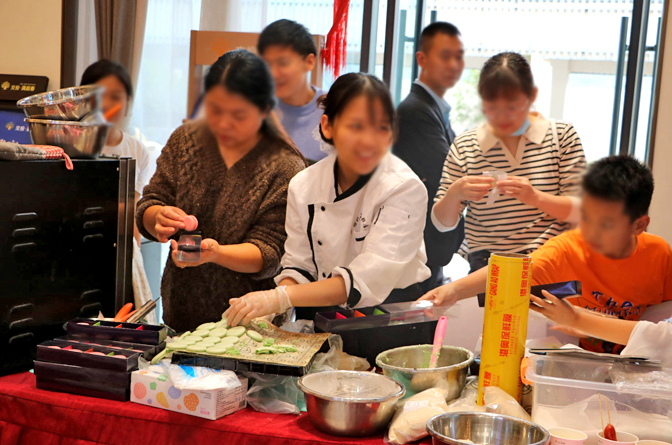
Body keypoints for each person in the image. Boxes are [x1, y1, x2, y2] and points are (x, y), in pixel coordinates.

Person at [421, 155, 672, 353]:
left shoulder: (658, 254)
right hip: (576, 360)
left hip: (634, 364)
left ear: (639, 225)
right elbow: (510, 270)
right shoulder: (567, 248)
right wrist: (455, 290)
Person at [223, 73, 431, 326]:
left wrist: (278, 297)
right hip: (320, 312)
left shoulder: (403, 187)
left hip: (388, 318)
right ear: (327, 126)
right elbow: (298, 265)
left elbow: (368, 275)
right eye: (356, 126)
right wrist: (273, 305)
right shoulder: (304, 184)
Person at [136, 50, 306, 332]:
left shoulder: (285, 166)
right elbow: (152, 201)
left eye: (238, 114)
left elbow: (270, 253)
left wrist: (216, 253)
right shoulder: (186, 140)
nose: (224, 123)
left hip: (252, 326)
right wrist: (158, 218)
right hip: (181, 313)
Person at [431, 52, 586, 272]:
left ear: (532, 96)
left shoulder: (561, 136)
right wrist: (454, 194)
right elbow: (442, 223)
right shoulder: (466, 145)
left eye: (512, 107)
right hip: (486, 268)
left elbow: (581, 210)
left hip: (549, 262)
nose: (501, 117)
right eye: (491, 108)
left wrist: (535, 198)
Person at [531, 214, 672, 379]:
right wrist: (581, 319)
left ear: (639, 225)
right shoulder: (561, 251)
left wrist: (576, 319)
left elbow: (663, 337)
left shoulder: (658, 254)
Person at [393, 22, 466, 294]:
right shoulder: (415, 111)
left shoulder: (433, 109)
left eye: (458, 56)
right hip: (414, 247)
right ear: (421, 59)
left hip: (425, 245)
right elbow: (447, 176)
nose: (454, 64)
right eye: (445, 56)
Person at [80, 59, 156, 309]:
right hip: (81, 246)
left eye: (117, 97)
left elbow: (133, 208)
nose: (109, 105)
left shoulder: (137, 150)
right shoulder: (73, 143)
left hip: (120, 250)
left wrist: (134, 259)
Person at [258, 19, 327, 162]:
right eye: (267, 64)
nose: (273, 73)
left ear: (309, 62)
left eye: (283, 63)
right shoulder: (257, 109)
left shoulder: (334, 107)